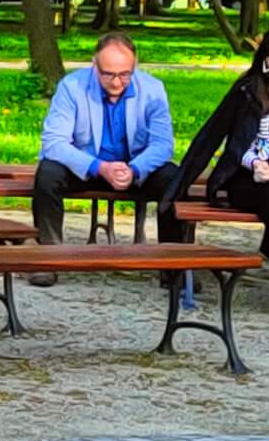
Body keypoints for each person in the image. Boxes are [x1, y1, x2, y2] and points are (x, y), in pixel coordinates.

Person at [168, 27, 269, 323]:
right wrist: (254, 164)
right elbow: (213, 137)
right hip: (246, 180)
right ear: (262, 64)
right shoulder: (247, 92)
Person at [32, 32, 177, 281]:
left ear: (135, 65)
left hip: (134, 169)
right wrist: (99, 167)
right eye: (108, 74)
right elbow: (54, 142)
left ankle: (175, 267)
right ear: (94, 65)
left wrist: (135, 169)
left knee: (173, 178)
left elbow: (163, 145)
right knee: (47, 173)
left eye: (125, 74)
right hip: (86, 168)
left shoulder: (153, 90)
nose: (117, 82)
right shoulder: (71, 87)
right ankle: (48, 260)